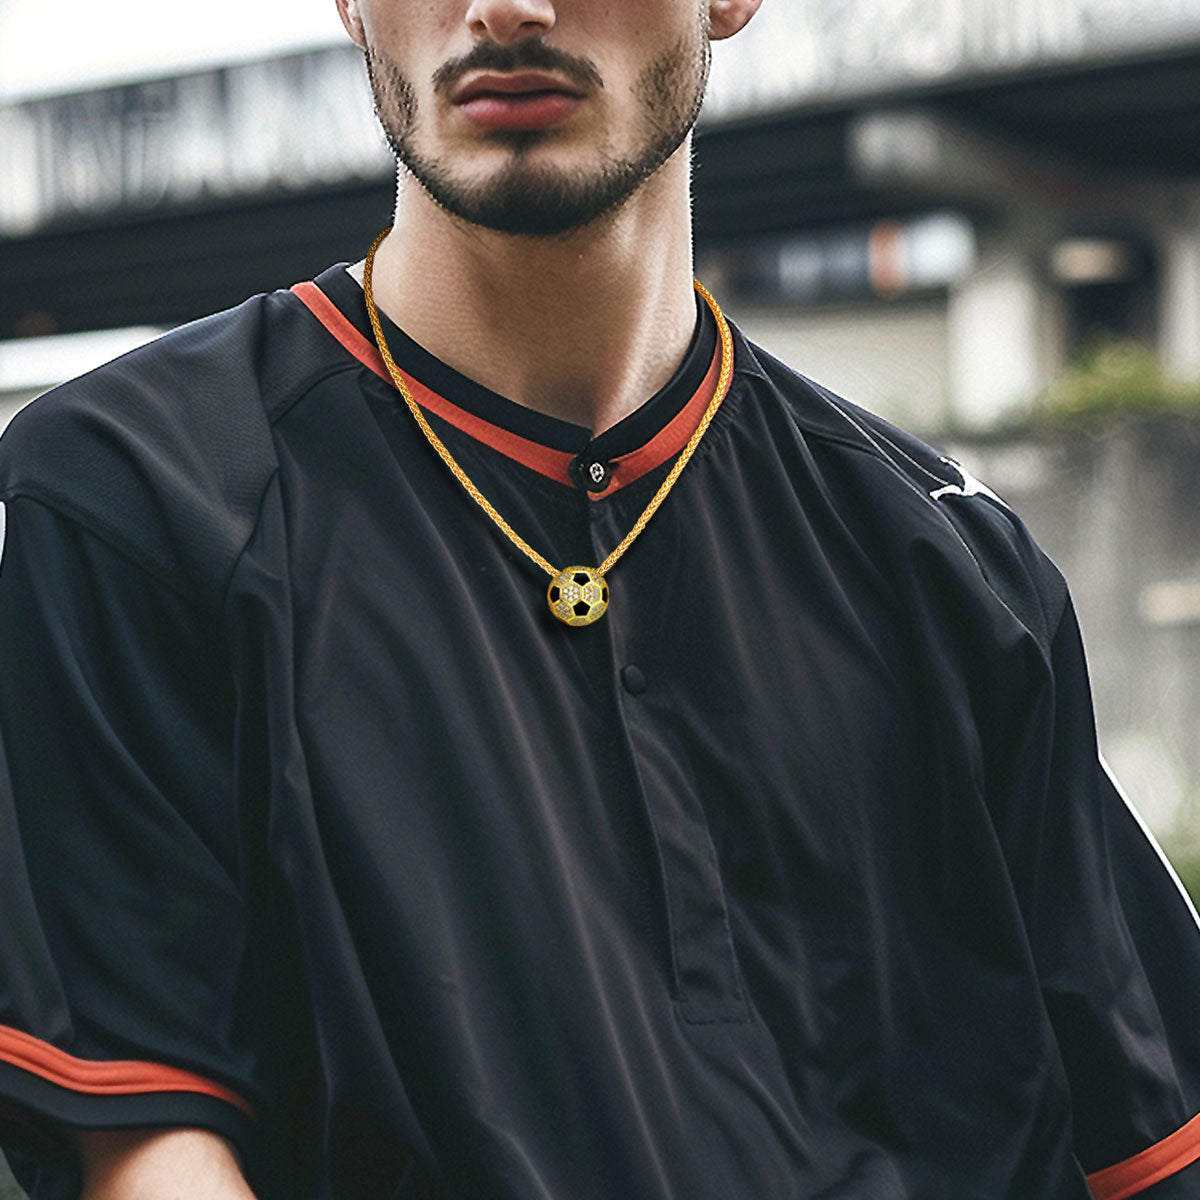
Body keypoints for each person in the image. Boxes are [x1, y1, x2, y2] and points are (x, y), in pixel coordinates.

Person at [0, 0, 1198, 1195]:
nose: (506, 7)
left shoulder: (954, 563)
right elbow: (147, 1155)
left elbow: (1152, 1143)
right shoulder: (135, 493)